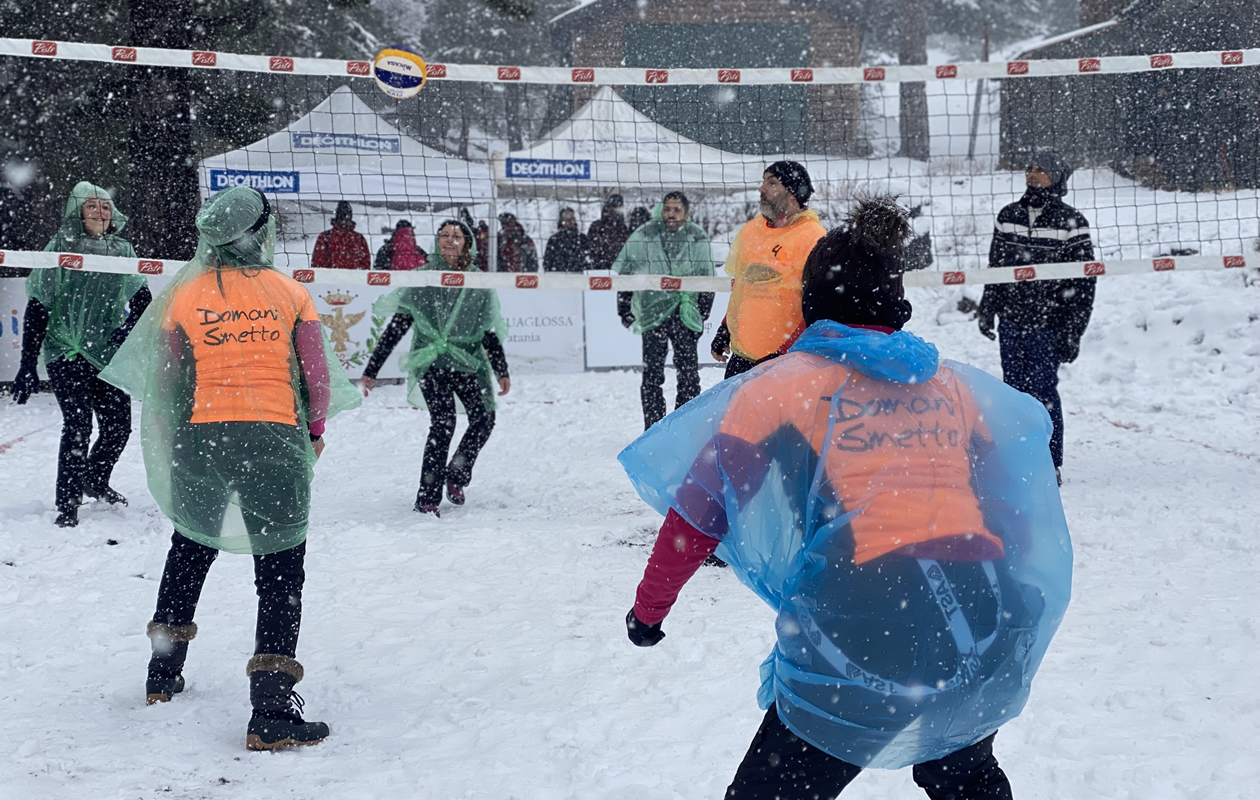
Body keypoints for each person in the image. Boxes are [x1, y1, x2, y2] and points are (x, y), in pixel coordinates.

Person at [619, 196, 1073, 799]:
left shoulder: (777, 389)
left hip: (872, 613)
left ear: (810, 299)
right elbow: (1009, 511)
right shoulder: (951, 386)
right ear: (894, 299)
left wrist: (648, 611)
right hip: (982, 612)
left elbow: (698, 514)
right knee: (957, 768)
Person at [99, 186, 360, 750]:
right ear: (260, 231)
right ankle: (270, 710)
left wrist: (177, 444)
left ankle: (161, 677)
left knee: (190, 549)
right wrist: (314, 432)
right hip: (272, 439)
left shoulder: (184, 297)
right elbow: (316, 380)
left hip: (201, 439)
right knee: (280, 571)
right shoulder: (291, 293)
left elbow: (166, 386)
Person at [12, 181, 152, 528]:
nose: (100, 212)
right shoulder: (60, 247)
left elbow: (142, 299)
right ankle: (67, 503)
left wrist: (128, 328)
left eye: (105, 206)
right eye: (92, 206)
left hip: (106, 353)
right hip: (66, 350)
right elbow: (38, 307)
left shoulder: (122, 250)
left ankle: (94, 480)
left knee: (118, 428)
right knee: (77, 426)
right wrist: (28, 363)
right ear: (77, 212)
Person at [361, 219, 510, 516]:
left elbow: (488, 331)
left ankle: (455, 475)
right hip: (431, 362)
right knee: (443, 424)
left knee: (485, 419)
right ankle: (427, 497)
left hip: (469, 363)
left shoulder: (478, 282)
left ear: (468, 243)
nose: (449, 240)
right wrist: (371, 370)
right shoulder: (423, 278)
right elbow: (398, 326)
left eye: (456, 236)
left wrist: (501, 369)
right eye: (444, 235)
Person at [977, 149, 1096, 483]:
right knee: (1012, 391)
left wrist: (1074, 330)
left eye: (1040, 169)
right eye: (1029, 168)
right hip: (1012, 320)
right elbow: (996, 268)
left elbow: (1084, 282)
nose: (1031, 174)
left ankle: (1047, 462)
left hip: (1049, 323)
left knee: (1043, 391)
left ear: (1056, 176)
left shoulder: (1072, 223)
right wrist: (988, 309)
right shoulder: (1008, 215)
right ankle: (1015, 459)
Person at [712, 161, 826, 379]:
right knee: (735, 414)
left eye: (771, 183)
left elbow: (817, 308)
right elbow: (741, 288)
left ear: (793, 193)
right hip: (742, 358)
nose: (761, 189)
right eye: (763, 181)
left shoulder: (814, 238)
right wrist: (725, 327)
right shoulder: (750, 232)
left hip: (787, 362)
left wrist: (782, 353)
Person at [612, 192, 715, 429]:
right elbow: (627, 271)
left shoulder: (697, 237)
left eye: (677, 209)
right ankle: (654, 429)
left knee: (689, 375)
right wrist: (624, 307)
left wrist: (702, 312)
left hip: (684, 312)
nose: (671, 213)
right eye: (667, 208)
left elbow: (708, 278)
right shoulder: (646, 234)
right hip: (652, 312)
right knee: (652, 376)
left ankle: (683, 427)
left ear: (687, 213)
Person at [311, 200, 371, 270]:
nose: (343, 222)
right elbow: (317, 265)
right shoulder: (324, 237)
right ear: (337, 219)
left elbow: (365, 266)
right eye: (341, 218)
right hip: (329, 279)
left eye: (346, 219)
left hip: (353, 279)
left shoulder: (359, 238)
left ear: (350, 219)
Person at [543, 208, 594, 273]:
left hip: (579, 278)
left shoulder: (583, 239)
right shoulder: (554, 240)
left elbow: (589, 260)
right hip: (558, 278)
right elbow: (547, 262)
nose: (570, 221)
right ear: (562, 220)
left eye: (572, 218)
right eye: (567, 219)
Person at [587, 193, 630, 272]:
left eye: (619, 206)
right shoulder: (596, 226)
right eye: (614, 206)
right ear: (608, 207)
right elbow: (591, 248)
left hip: (618, 271)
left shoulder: (623, 229)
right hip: (599, 270)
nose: (617, 209)